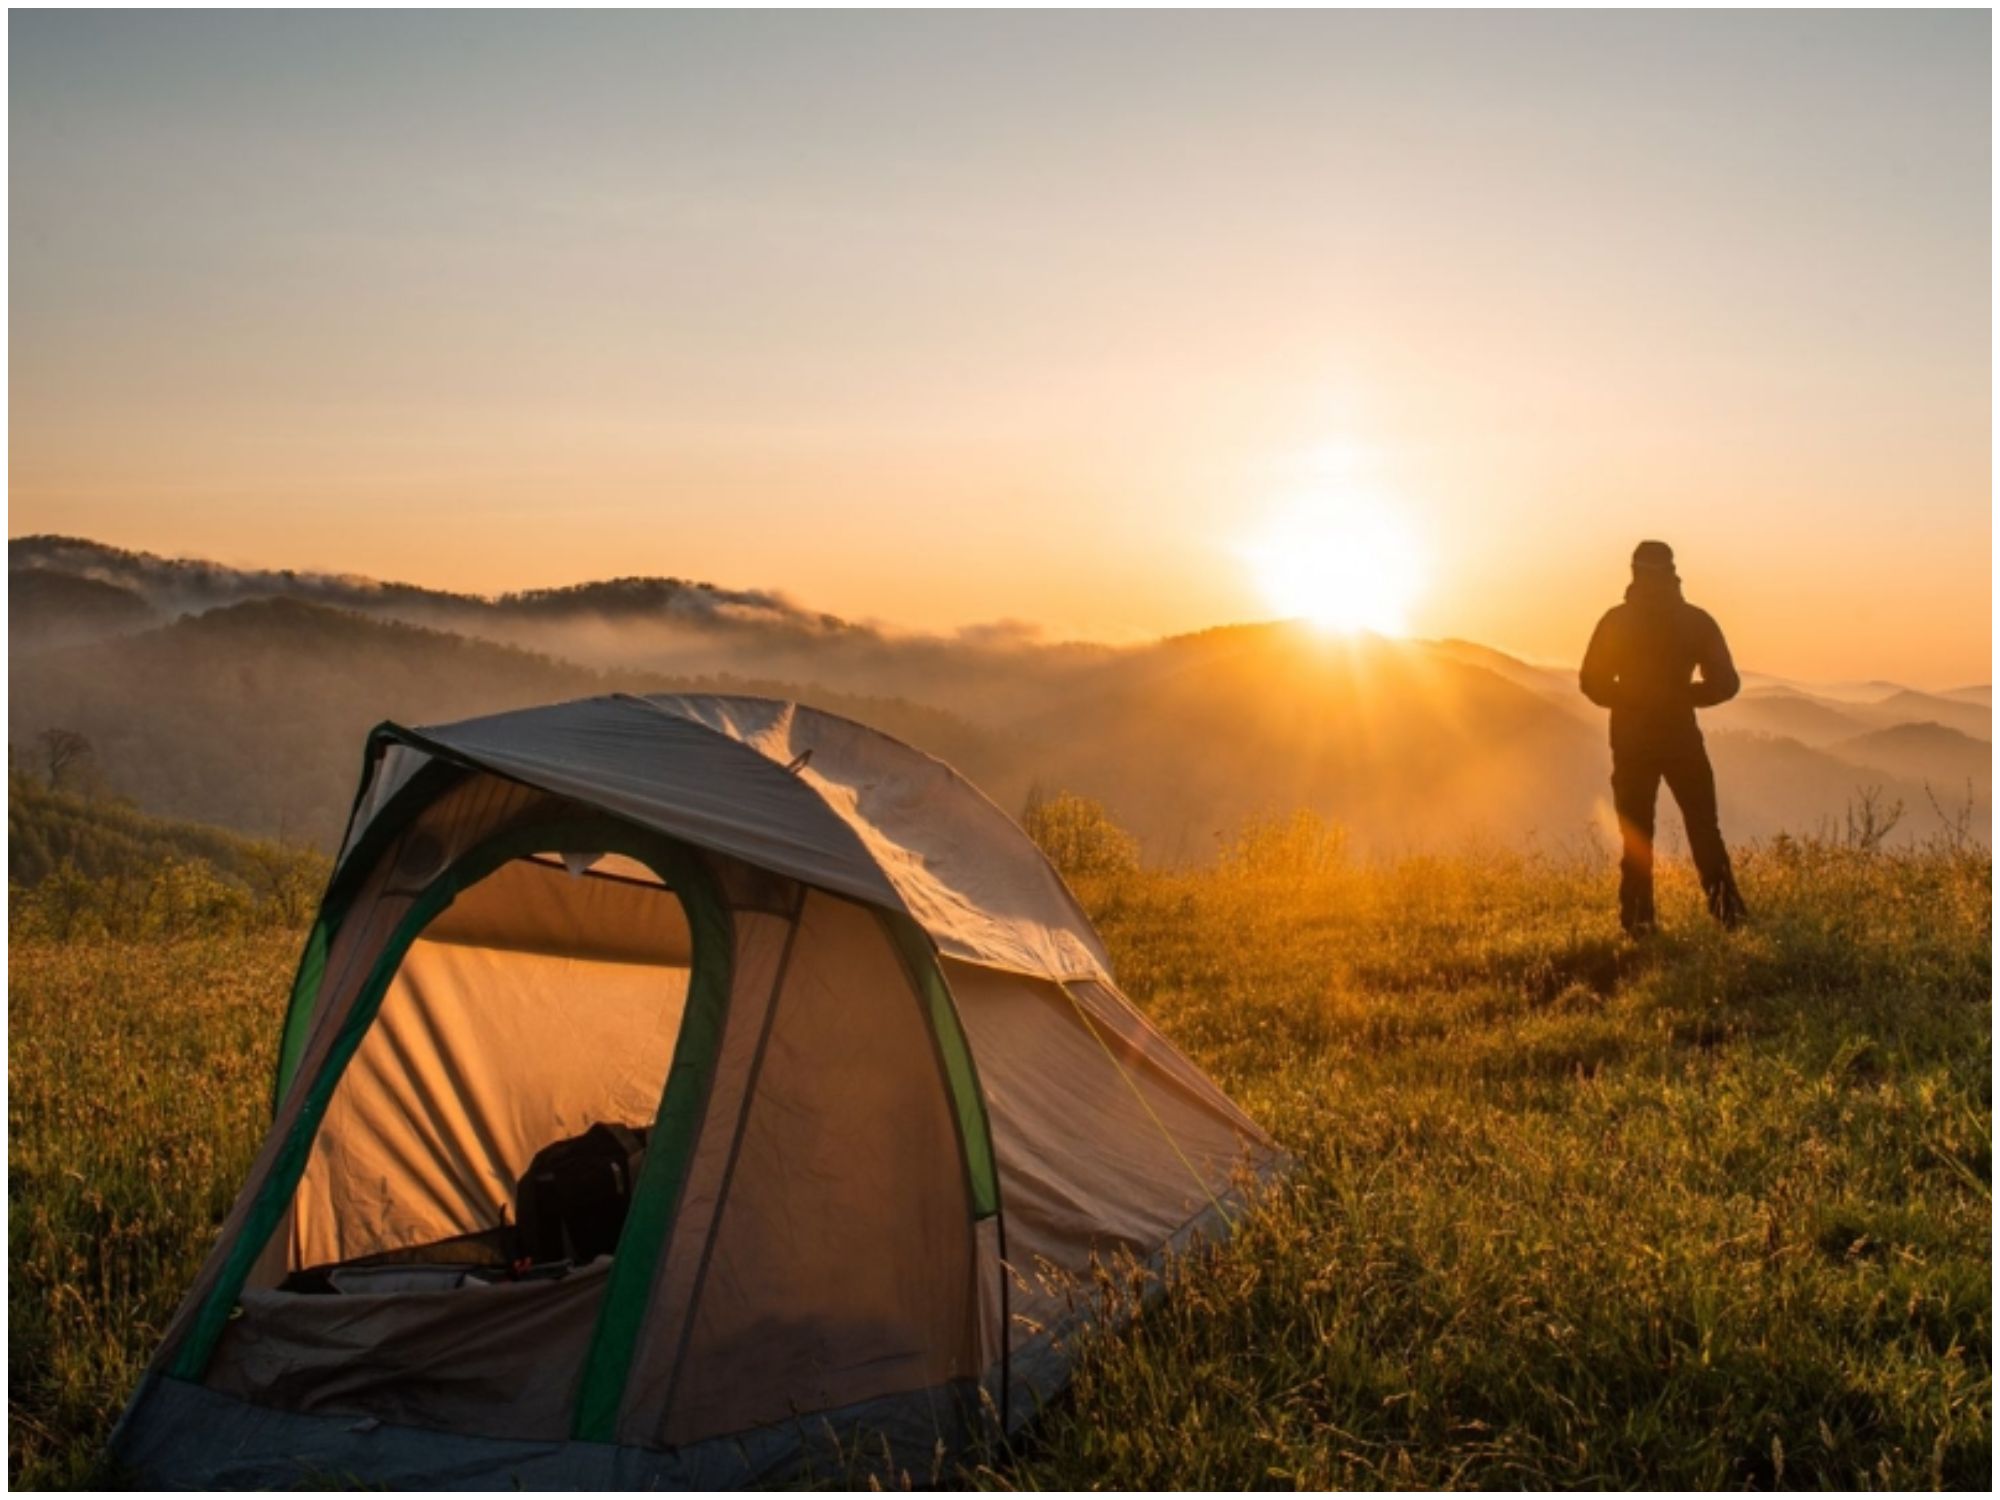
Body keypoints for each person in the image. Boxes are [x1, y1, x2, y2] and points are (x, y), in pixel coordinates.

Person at [1579, 540, 1747, 934]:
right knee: (1704, 827)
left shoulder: (1616, 621)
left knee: (1636, 834)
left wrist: (1632, 698)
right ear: (1673, 571)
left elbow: (1591, 683)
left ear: (1634, 571)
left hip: (1631, 741)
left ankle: (1639, 923)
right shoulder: (1695, 620)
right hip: (1681, 738)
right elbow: (1726, 684)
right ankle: (1729, 916)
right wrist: (1683, 695)